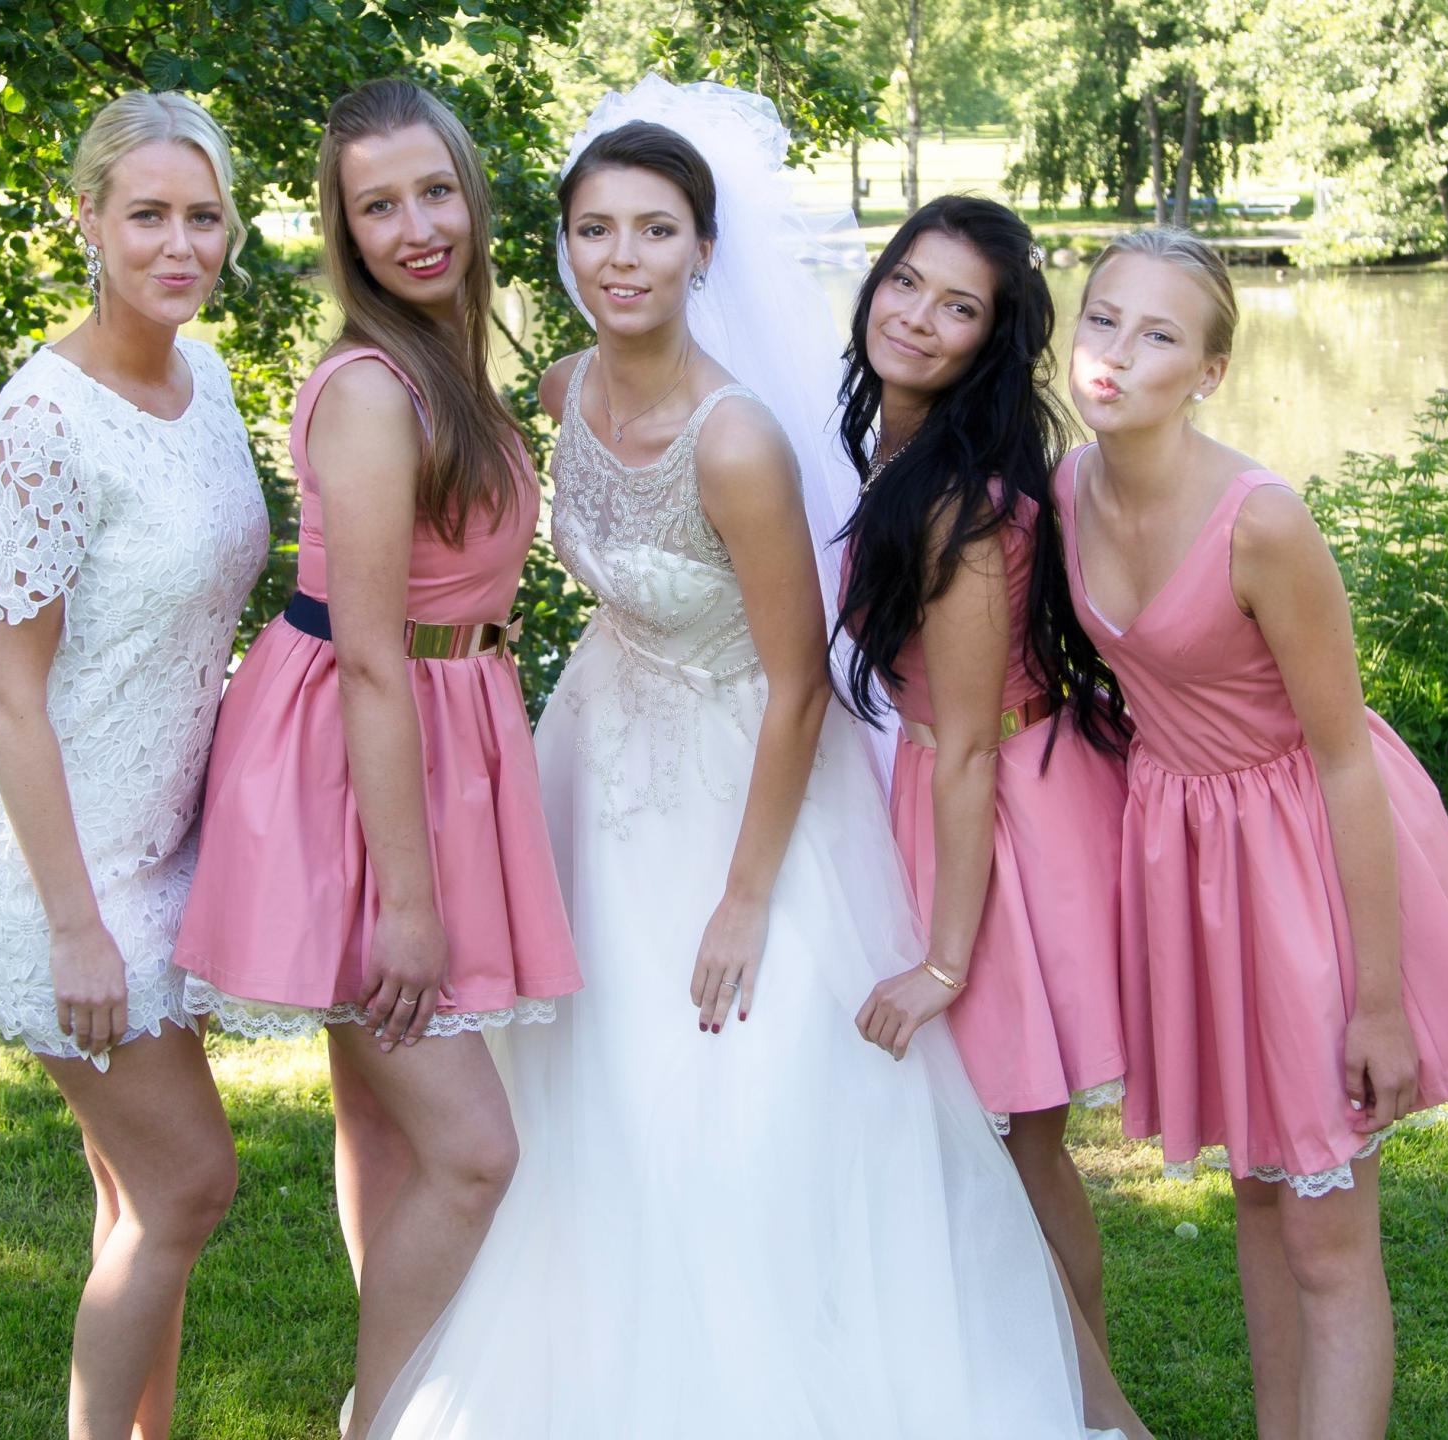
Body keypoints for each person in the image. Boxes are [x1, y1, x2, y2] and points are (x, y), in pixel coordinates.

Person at [367, 78, 1134, 1440]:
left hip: (739, 786)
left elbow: (797, 687)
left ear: (702, 251)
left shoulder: (735, 441)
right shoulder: (562, 390)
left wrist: (741, 895)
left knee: (735, 1093)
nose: (622, 259)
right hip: (592, 761)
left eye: (655, 231)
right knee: (587, 1087)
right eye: (595, 230)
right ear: (563, 245)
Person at [1056, 227, 1448, 1440]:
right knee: (1261, 1201)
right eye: (1102, 317)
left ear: (1207, 372)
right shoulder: (1066, 489)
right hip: (1191, 859)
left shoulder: (1259, 521)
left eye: (1158, 334)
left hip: (1305, 851)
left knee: (1325, 1229)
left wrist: (1377, 1004)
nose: (1116, 352)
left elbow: (1343, 757)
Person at [167, 79, 578, 1440]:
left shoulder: (451, 363)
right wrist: (404, 901)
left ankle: (401, 1406)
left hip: (436, 727)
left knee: (388, 1127)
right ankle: (381, 1420)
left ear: (472, 194)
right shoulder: (368, 388)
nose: (417, 227)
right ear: (344, 233)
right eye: (379, 206)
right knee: (472, 1152)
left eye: (435, 192)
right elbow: (366, 657)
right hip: (357, 756)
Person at [0, 90, 266, 1439]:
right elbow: (6, 694)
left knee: (138, 1198)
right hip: (53, 861)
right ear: (87, 220)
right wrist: (75, 925)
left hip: (161, 837)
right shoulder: (42, 420)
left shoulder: (209, 381)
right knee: (189, 1184)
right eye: (147, 216)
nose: (180, 245)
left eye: (204, 217)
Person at [834, 196, 1132, 1365]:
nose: (916, 316)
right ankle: (1031, 1380)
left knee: (1018, 1138)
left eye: (957, 307)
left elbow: (965, 744)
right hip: (947, 787)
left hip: (1004, 811)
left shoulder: (959, 501)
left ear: (989, 341)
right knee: (983, 1135)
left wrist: (943, 965)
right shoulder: (896, 449)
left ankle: (1094, 1404)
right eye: (906, 281)